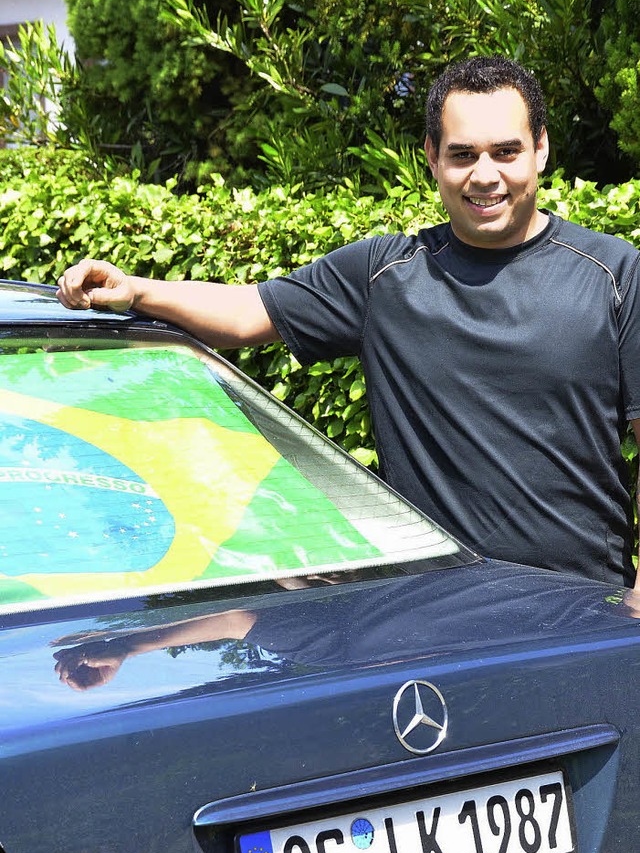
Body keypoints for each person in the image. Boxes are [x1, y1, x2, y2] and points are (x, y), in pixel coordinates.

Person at [56, 56, 640, 589]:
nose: (484, 175)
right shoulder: (382, 276)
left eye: (505, 151)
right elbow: (245, 313)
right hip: (426, 609)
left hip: (584, 609)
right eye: (463, 155)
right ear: (433, 158)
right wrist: (136, 290)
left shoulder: (616, 274)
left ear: (540, 150)